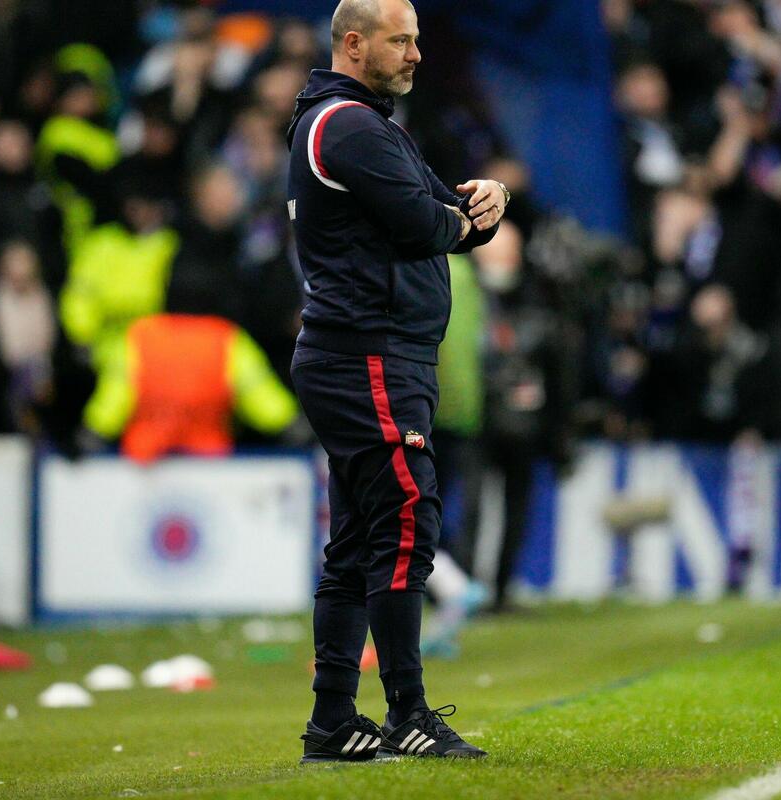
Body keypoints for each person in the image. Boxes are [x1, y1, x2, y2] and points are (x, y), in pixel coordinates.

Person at [286, 0, 506, 763]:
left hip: (370, 353)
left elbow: (451, 214)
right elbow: (428, 225)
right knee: (407, 517)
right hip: (369, 354)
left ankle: (333, 721)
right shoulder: (349, 127)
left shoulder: (363, 125)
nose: (416, 54)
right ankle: (407, 711)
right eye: (400, 40)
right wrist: (465, 220)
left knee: (358, 540)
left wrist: (486, 205)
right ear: (354, 43)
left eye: (415, 39)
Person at [81, 271, 297, 464]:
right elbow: (259, 395)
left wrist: (92, 434)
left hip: (144, 462)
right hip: (208, 461)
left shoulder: (139, 335)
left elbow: (116, 395)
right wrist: (292, 426)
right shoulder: (227, 338)